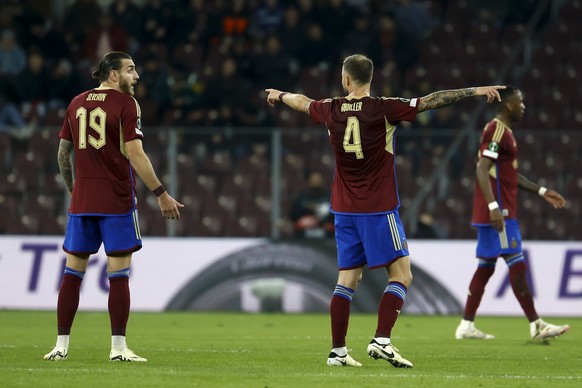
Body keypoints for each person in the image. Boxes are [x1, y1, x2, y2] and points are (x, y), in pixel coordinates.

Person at [265, 53, 504, 368]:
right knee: (402, 275)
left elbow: (300, 101)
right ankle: (382, 341)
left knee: (347, 279)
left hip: (343, 208)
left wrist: (278, 95)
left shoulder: (330, 108)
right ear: (369, 78)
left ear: (346, 79)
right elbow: (432, 100)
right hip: (378, 207)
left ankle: (338, 351)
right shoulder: (384, 108)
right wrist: (473, 90)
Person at [44, 51, 183, 362]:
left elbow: (62, 156)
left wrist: (73, 190)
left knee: (71, 274)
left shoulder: (76, 102)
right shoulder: (126, 104)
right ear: (112, 74)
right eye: (130, 70)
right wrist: (160, 193)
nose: (136, 77)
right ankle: (118, 349)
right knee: (118, 275)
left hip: (83, 201)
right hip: (117, 201)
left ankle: (60, 347)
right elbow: (135, 154)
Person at [455, 85, 569, 341]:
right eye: (520, 102)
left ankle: (466, 325)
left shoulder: (504, 132)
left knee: (486, 267)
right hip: (500, 213)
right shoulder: (496, 130)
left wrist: (541, 191)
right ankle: (536, 324)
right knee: (516, 263)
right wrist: (495, 207)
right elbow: (482, 169)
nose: (523, 106)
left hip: (495, 210)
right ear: (508, 105)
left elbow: (508, 175)